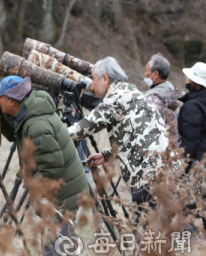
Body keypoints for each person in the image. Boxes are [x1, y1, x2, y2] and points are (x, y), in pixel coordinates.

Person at [0, 76, 89, 256]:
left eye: (0, 97)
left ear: (11, 100)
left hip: (62, 194)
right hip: (63, 189)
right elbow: (14, 133)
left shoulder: (36, 124)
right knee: (61, 252)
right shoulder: (29, 111)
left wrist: (35, 190)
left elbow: (52, 165)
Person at [67, 57, 172, 221]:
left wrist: (52, 133)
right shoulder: (132, 92)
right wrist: (107, 155)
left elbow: (84, 127)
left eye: (93, 80)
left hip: (147, 180)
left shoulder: (116, 98)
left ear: (105, 78)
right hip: (162, 173)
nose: (92, 86)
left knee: (147, 236)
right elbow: (137, 136)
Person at [178, 62, 206, 241]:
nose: (186, 80)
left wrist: (184, 165)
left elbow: (191, 141)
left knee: (187, 201)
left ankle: (189, 236)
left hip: (197, 161)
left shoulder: (193, 106)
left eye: (189, 77)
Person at [143, 53, 181, 141]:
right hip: (171, 149)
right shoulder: (171, 93)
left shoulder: (153, 100)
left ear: (155, 74)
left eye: (147, 70)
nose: (145, 74)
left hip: (156, 151)